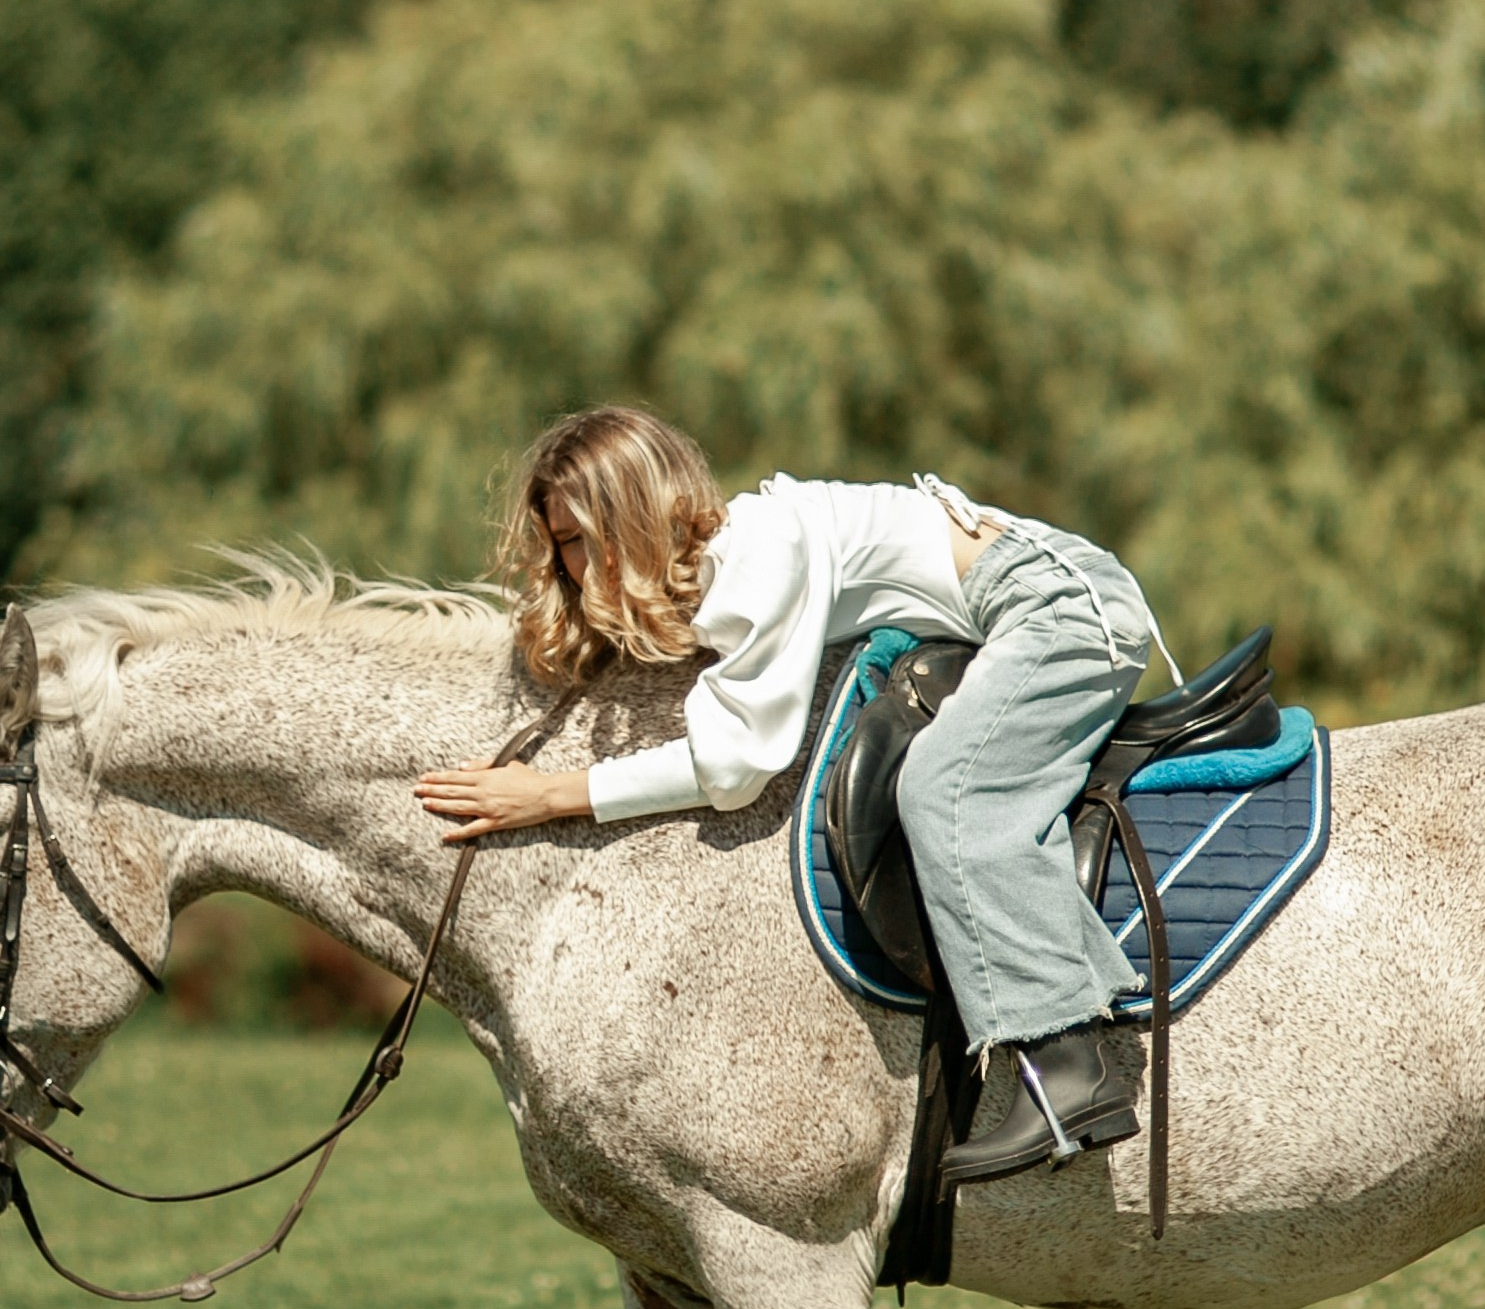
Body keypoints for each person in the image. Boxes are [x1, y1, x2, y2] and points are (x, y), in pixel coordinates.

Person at [412, 405, 1170, 1187]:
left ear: (645, 510)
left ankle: (1067, 1065)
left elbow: (739, 766)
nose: (578, 562)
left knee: (945, 790)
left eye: (592, 533)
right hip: (1034, 597)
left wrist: (552, 795)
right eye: (564, 542)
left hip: (1059, 605)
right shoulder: (724, 568)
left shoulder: (754, 558)